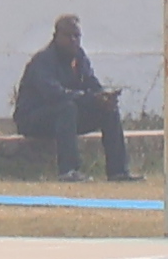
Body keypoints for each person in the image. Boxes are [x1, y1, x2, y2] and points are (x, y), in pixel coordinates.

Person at [13, 17, 134, 179]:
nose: (73, 41)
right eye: (68, 36)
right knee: (67, 108)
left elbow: (91, 83)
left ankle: (118, 171)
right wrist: (89, 98)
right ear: (56, 36)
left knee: (108, 110)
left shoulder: (79, 58)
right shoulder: (43, 61)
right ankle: (69, 170)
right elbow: (54, 94)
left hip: (66, 116)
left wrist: (103, 97)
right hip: (34, 118)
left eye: (77, 36)